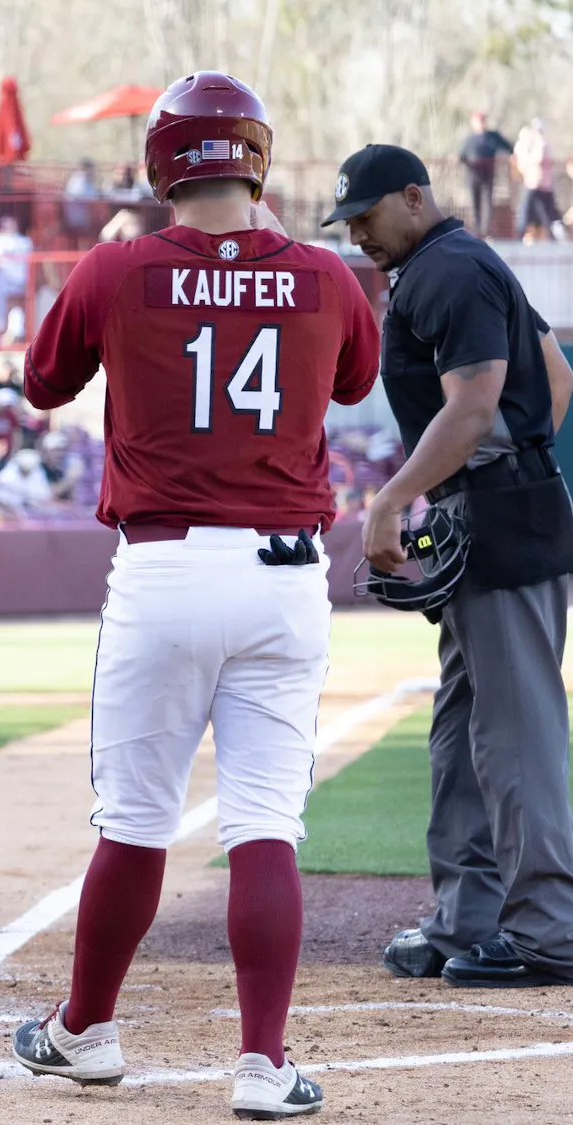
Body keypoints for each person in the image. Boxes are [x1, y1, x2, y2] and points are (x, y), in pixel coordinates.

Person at [10, 73, 381, 1120]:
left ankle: (85, 1031)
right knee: (265, 823)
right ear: (256, 158)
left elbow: (43, 384)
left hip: (165, 566)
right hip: (285, 572)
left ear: (162, 161)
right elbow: (355, 383)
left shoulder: (118, 266)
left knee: (133, 824)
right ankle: (263, 1067)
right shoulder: (324, 272)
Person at [326, 144, 573, 989]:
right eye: (349, 222)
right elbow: (556, 376)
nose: (358, 233)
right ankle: (467, 916)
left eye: (367, 215)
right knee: (462, 728)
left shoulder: (450, 268)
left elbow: (475, 402)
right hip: (495, 505)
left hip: (504, 517)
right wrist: (494, 462)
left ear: (414, 196)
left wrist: (395, 496)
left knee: (516, 733)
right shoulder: (458, 263)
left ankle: (548, 931)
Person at [459, 112, 512, 239]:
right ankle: (477, 231)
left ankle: (485, 231)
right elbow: (461, 156)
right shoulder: (469, 139)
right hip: (473, 175)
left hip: (488, 175)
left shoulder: (492, 136)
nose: (481, 124)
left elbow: (509, 148)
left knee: (487, 203)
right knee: (474, 203)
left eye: (482, 121)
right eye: (478, 121)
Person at [512, 118, 560, 243]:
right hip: (535, 183)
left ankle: (553, 237)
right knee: (536, 212)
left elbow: (537, 159)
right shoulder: (535, 143)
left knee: (536, 212)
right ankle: (522, 235)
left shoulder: (542, 143)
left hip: (538, 184)